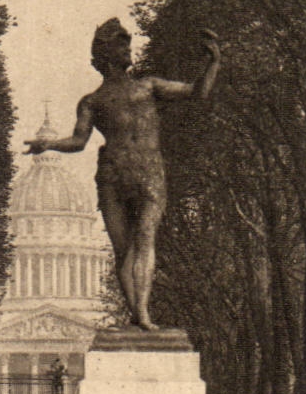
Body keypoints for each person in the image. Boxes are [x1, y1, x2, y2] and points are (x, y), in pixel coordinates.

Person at [27, 19, 219, 330]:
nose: (128, 51)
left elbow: (198, 93)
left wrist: (214, 61)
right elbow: (78, 141)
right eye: (120, 46)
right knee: (123, 251)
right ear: (103, 57)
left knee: (145, 239)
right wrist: (47, 143)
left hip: (148, 172)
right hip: (112, 174)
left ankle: (142, 313)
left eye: (127, 45)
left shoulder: (149, 86)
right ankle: (138, 314)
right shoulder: (92, 101)